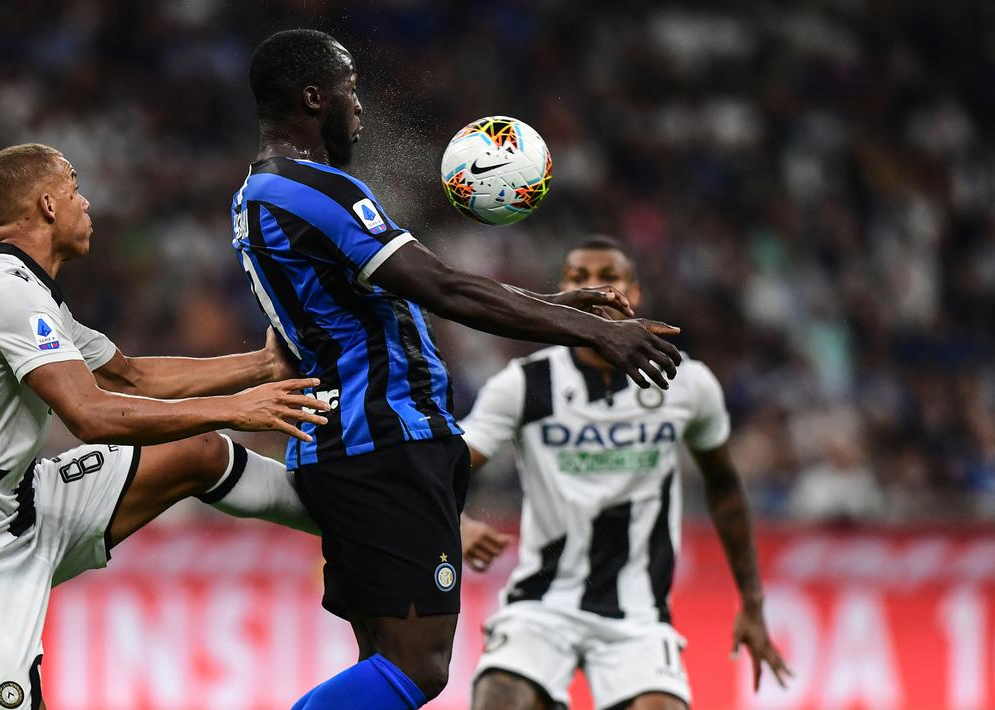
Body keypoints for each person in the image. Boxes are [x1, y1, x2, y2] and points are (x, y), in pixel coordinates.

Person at [235, 30, 683, 710]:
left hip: (353, 445)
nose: (359, 107)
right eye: (350, 90)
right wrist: (594, 331)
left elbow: (419, 288)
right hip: (383, 445)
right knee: (418, 669)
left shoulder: (260, 193)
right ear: (311, 97)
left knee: (384, 659)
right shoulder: (314, 190)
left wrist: (550, 304)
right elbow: (443, 289)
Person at [0, 143, 332, 710]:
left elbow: (131, 376)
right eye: (75, 189)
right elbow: (92, 416)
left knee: (196, 451)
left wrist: (263, 365)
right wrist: (238, 407)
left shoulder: (35, 296)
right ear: (48, 204)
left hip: (25, 507)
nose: (86, 202)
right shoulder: (0, 293)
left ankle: (346, 520)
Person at [459, 236, 792, 710]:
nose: (594, 287)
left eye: (608, 278)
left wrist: (753, 605)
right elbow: (447, 466)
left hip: (638, 614)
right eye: (578, 279)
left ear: (633, 293)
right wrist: (455, 521)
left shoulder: (686, 382)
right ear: (563, 293)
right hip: (540, 605)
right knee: (498, 699)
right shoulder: (523, 383)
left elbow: (724, 487)